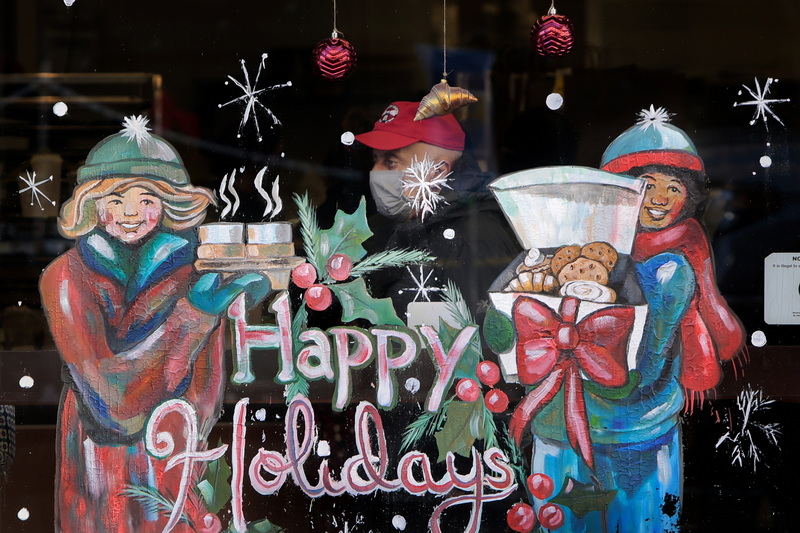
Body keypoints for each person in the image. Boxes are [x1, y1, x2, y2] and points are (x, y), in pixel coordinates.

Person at [40, 117, 270, 532]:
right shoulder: (66, 277)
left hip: (173, 467)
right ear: (92, 204)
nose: (130, 212)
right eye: (114, 198)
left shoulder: (197, 275)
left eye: (147, 198)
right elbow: (112, 403)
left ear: (170, 204)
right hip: (98, 472)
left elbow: (205, 394)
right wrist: (192, 318)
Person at [355, 101, 519, 320]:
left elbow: (487, 342)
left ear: (438, 171)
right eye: (375, 159)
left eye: (391, 162)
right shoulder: (385, 227)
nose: (375, 171)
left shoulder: (474, 239)